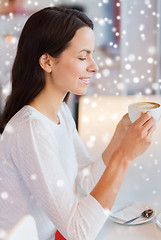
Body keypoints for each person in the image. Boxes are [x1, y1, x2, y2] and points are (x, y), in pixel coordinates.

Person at [0, 7, 156, 240]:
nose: (94, 66)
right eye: (83, 57)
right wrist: (124, 156)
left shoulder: (59, 111)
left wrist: (118, 139)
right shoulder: (31, 129)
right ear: (47, 62)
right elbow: (78, 232)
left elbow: (85, 181)